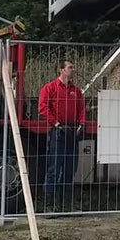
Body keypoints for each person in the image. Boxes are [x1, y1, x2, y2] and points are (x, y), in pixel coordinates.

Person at [38, 59, 86, 209]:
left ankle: (66, 204)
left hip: (72, 131)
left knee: (70, 169)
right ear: (61, 70)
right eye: (70, 67)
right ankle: (49, 204)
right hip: (58, 132)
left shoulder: (76, 91)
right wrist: (56, 124)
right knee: (54, 168)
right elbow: (43, 107)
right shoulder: (50, 88)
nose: (73, 70)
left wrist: (82, 124)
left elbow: (81, 108)